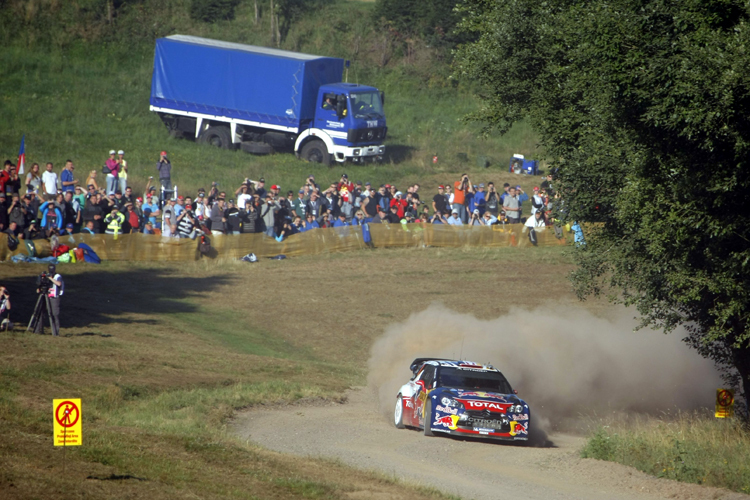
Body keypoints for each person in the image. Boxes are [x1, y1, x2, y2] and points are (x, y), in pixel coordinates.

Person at [39, 264, 63, 336]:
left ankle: (56, 332)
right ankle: (39, 330)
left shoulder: (57, 276)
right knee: (41, 313)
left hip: (54, 297)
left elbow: (59, 284)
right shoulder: (47, 275)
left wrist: (50, 278)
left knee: (54, 314)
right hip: (46, 295)